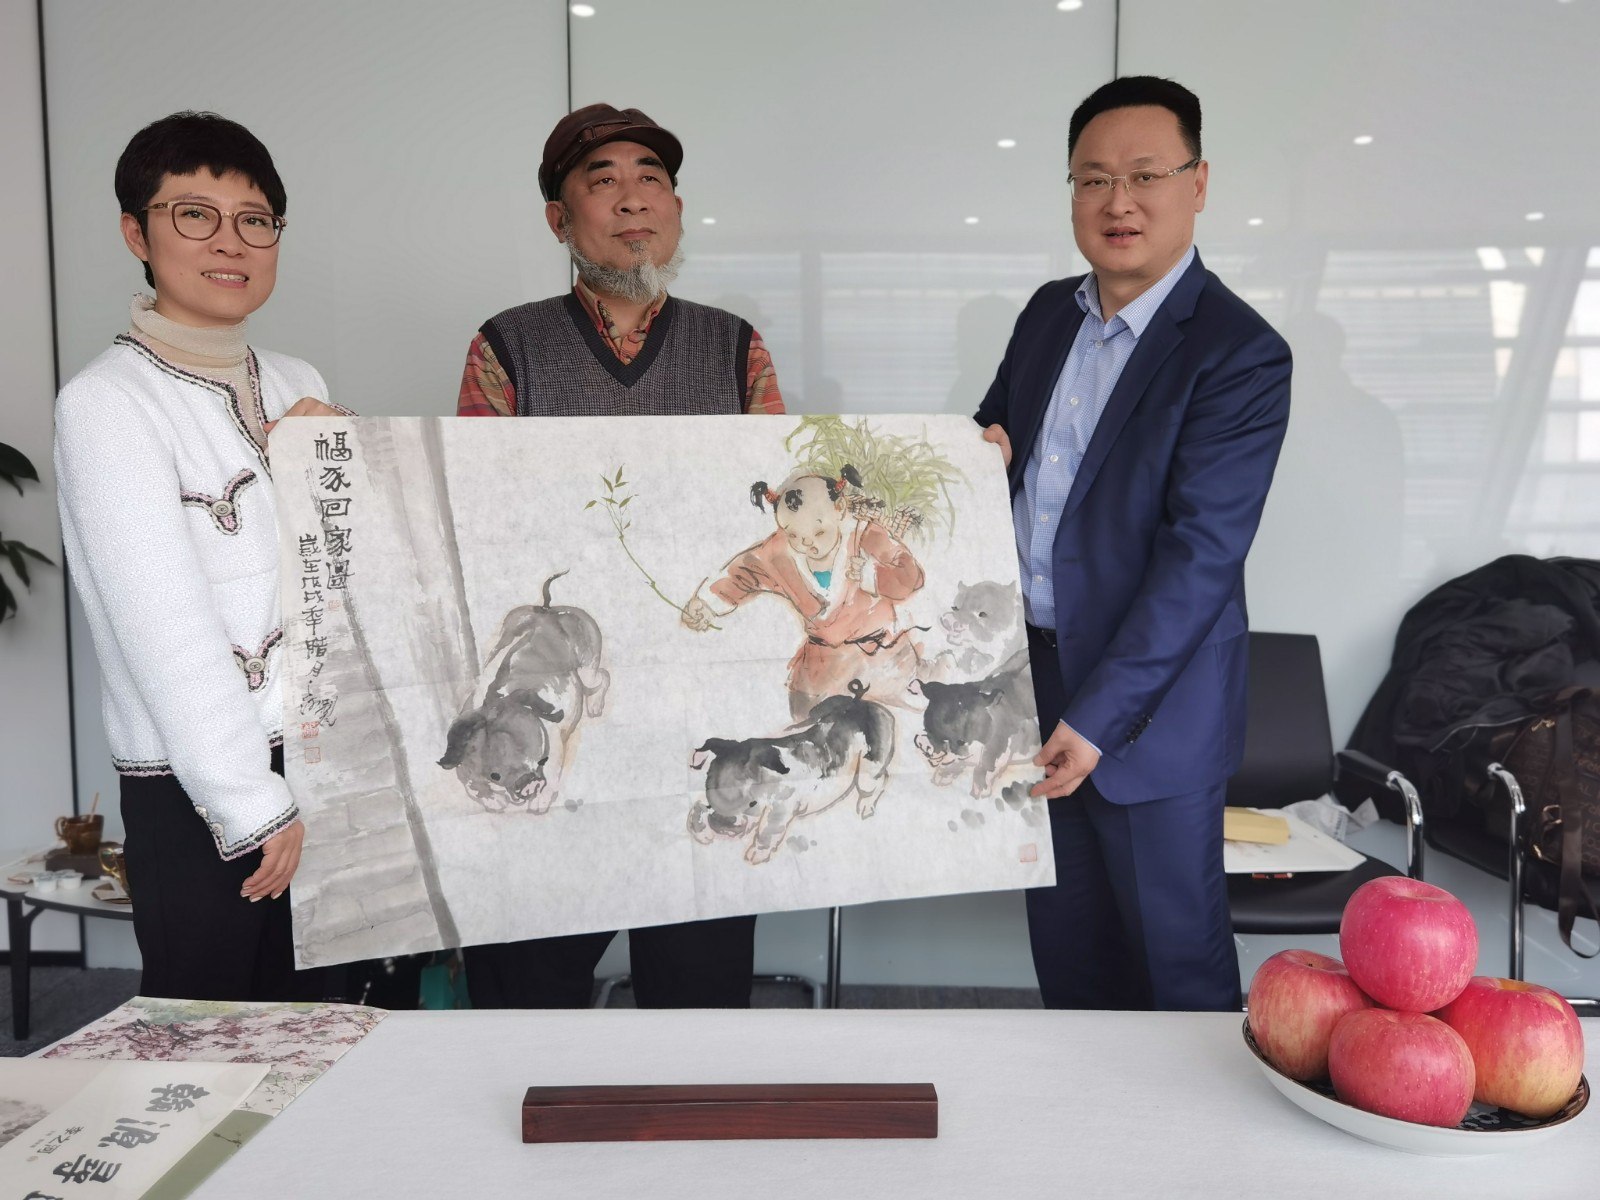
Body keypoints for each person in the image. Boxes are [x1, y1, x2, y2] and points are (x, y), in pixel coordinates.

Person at [455, 103, 785, 1009]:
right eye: (603, 182)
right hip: (566, 707)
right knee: (529, 973)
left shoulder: (735, 347)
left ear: (675, 209)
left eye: (651, 180)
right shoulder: (507, 345)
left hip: (698, 704)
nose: (633, 200)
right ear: (559, 219)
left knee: (697, 981)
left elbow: (767, 521)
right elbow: (487, 517)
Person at [975, 77, 1292, 1012]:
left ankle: (1199, 1125)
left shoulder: (1238, 351)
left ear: (1198, 183)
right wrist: (970, 460)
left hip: (1150, 713)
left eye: (1145, 175)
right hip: (1033, 687)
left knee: (1176, 972)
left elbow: (1201, 559)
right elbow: (993, 448)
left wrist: (1097, 721)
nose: (1119, 202)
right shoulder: (1047, 314)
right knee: (1069, 961)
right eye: (1094, 179)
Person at [54, 112, 345, 1001]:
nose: (230, 242)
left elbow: (338, 581)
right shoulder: (108, 403)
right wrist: (252, 802)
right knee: (214, 1035)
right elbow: (164, 627)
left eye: (255, 220)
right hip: (198, 784)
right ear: (135, 233)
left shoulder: (299, 382)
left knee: (332, 1026)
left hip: (322, 753)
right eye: (194, 214)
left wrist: (342, 466)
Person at [682, 466, 926, 720]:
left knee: (900, 716)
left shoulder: (865, 535)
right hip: (824, 665)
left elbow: (911, 575)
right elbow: (744, 571)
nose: (808, 544)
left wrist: (871, 575)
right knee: (810, 722)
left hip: (882, 652)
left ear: (839, 509)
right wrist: (706, 604)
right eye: (794, 535)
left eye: (819, 532)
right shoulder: (779, 553)